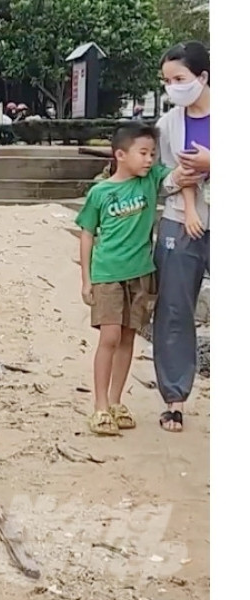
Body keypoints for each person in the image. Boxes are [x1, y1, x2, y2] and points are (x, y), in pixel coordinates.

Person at [76, 124, 188, 436]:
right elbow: (87, 233)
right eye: (143, 153)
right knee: (109, 337)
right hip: (108, 275)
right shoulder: (99, 193)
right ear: (120, 155)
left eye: (152, 153)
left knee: (128, 338)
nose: (150, 159)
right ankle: (99, 406)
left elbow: (178, 175)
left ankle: (115, 401)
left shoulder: (151, 180)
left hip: (141, 275)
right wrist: (86, 279)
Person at [153, 41, 211, 433]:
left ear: (203, 77)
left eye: (180, 79)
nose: (173, 87)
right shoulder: (167, 124)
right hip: (180, 220)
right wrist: (178, 180)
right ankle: (174, 398)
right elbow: (161, 177)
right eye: (167, 81)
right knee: (174, 308)